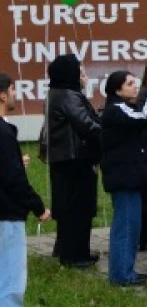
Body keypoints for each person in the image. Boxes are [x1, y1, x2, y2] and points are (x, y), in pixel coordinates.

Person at [1, 74, 51, 307]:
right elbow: (13, 181)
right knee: (10, 279)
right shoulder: (4, 132)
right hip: (6, 214)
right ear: (2, 96)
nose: (15, 93)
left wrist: (13, 164)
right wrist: (38, 206)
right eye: (11, 89)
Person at [100, 70, 147, 288]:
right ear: (117, 90)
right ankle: (121, 274)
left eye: (135, 83)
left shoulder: (124, 109)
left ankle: (125, 270)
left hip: (131, 178)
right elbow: (145, 117)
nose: (135, 87)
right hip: (124, 178)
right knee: (125, 226)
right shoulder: (116, 110)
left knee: (131, 225)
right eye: (129, 84)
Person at [44, 55, 101, 268]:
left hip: (65, 158)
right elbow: (85, 124)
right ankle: (75, 255)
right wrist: (109, 132)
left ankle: (75, 250)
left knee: (70, 207)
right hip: (75, 158)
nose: (83, 75)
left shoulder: (57, 93)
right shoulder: (69, 95)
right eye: (80, 71)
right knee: (79, 208)